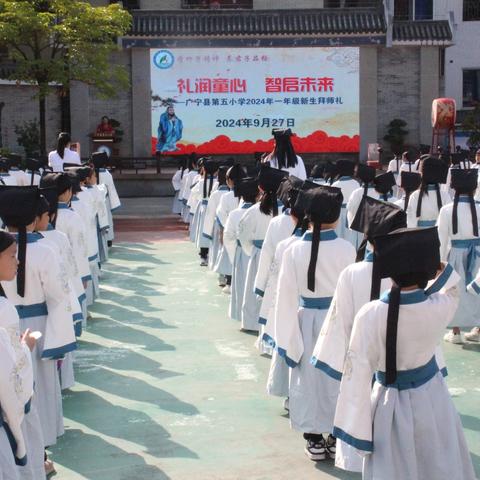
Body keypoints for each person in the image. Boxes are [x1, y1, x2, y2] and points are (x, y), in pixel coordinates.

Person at [332, 227, 476, 480]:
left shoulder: (370, 314)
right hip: (433, 396)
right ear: (428, 272)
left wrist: (357, 427)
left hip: (389, 401)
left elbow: (357, 370)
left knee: (393, 466)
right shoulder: (438, 307)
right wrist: (438, 266)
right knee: (436, 461)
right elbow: (453, 287)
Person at [311, 196, 407, 472]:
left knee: (356, 405)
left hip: (359, 357)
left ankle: (354, 459)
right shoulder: (406, 274)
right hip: (395, 359)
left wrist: (344, 356)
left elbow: (340, 321)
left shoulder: (351, 274)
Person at [274, 185, 356, 461]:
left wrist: (286, 338)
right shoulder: (346, 248)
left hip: (306, 320)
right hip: (339, 319)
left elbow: (284, 297)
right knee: (336, 378)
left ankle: (313, 437)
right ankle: (335, 434)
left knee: (307, 379)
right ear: (336, 215)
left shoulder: (293, 250)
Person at [0, 186, 77, 455]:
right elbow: (59, 297)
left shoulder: (4, 249)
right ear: (35, 218)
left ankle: (22, 452)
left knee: (11, 391)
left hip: (5, 330)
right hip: (40, 327)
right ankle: (39, 449)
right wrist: (59, 340)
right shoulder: (46, 251)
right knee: (39, 390)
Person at [0, 230, 46, 479]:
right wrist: (25, 349)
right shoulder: (3, 309)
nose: (17, 261)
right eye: (11, 255)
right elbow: (8, 372)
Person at [238, 165, 288, 332]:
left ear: (260, 187)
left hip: (259, 254)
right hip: (284, 257)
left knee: (256, 289)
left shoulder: (253, 211)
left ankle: (253, 323)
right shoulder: (288, 212)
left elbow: (243, 236)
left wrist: (252, 252)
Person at [438, 169, 480, 344]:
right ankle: (478, 329)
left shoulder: (447, 210)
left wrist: (438, 264)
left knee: (454, 291)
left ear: (454, 188)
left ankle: (455, 332)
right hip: (478, 254)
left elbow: (441, 239)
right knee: (476, 292)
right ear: (475, 186)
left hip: (455, 254)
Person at [224, 177, 258, 322]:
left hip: (240, 252)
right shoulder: (262, 211)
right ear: (258, 195)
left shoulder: (234, 214)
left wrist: (234, 254)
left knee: (241, 284)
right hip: (258, 253)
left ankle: (242, 317)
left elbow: (228, 236)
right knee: (255, 286)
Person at [406, 156, 450, 227]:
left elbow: (411, 221)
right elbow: (449, 219)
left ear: (422, 175)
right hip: (438, 235)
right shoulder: (445, 195)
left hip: (420, 234)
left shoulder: (415, 195)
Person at [332, 160, 359, 245]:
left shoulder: (335, 185)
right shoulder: (356, 183)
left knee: (339, 236)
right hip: (352, 213)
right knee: (351, 237)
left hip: (337, 214)